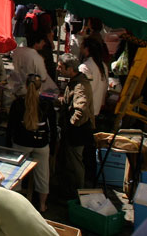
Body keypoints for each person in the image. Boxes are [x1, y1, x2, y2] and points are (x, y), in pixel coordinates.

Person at [7, 74, 56, 212]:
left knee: (17, 175)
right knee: (43, 175)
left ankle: (15, 204)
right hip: (41, 144)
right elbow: (52, 127)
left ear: (26, 86)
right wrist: (51, 148)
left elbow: (11, 126)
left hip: (21, 142)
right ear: (41, 87)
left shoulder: (18, 103)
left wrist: (8, 145)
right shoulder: (47, 104)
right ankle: (42, 205)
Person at [57, 53, 95, 191]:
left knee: (75, 163)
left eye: (61, 67)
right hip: (76, 131)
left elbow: (81, 109)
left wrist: (71, 125)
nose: (58, 69)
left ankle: (77, 192)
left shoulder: (80, 86)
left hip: (78, 132)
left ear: (70, 69)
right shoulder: (75, 82)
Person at [79, 37, 108, 117]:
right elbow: (105, 87)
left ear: (86, 48)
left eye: (82, 45)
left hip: (85, 109)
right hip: (96, 107)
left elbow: (82, 89)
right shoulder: (103, 65)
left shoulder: (85, 66)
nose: (80, 47)